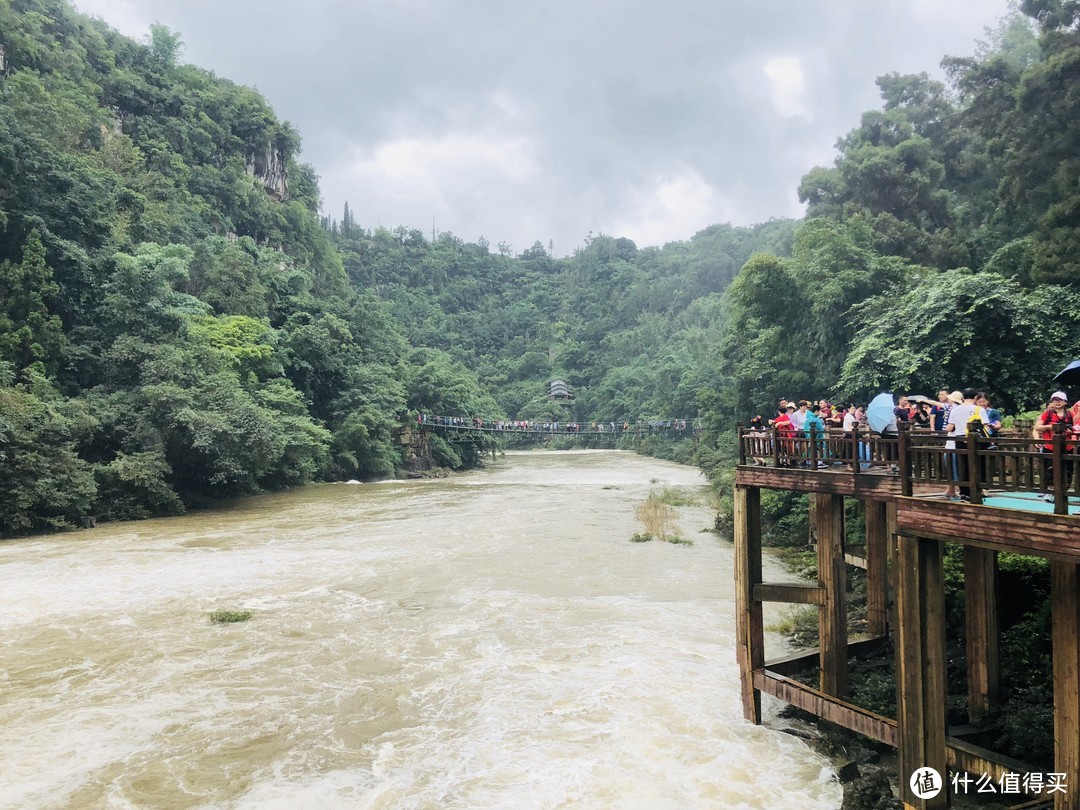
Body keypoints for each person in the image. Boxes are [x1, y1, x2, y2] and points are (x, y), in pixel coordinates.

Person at [1033, 391, 1077, 502]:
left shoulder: (1069, 414)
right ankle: (1050, 492)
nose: (1057, 402)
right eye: (1055, 400)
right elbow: (1038, 427)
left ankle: (1063, 493)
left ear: (1065, 402)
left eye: (1060, 400)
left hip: (1067, 447)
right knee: (1050, 470)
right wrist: (1051, 427)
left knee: (1068, 470)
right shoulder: (1048, 413)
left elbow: (1074, 427)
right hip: (1050, 446)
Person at [946, 389, 980, 500]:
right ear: (975, 397)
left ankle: (962, 492)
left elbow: (949, 427)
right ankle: (974, 491)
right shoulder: (978, 409)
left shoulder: (954, 410)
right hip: (974, 440)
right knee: (972, 466)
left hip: (957, 440)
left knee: (960, 467)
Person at [803, 403, 828, 467]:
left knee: (811, 450)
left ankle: (810, 462)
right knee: (818, 450)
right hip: (817, 436)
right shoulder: (816, 419)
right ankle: (818, 462)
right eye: (819, 411)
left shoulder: (808, 418)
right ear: (817, 411)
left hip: (809, 436)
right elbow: (820, 428)